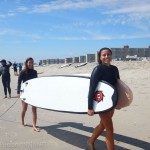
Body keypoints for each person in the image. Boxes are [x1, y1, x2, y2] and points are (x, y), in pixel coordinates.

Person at [87, 48, 120, 150]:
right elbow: (92, 89)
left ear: (111, 55)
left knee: (103, 125)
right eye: (104, 55)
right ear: (100, 57)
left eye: (108, 54)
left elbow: (118, 85)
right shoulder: (98, 69)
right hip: (101, 102)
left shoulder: (115, 69)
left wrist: (120, 101)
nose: (106, 57)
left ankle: (90, 141)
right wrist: (90, 107)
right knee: (110, 129)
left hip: (111, 102)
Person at [17, 57, 40, 132]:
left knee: (34, 110)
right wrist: (18, 92)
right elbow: (19, 82)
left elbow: (37, 82)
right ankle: (22, 122)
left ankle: (34, 126)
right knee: (24, 109)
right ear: (26, 63)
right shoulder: (23, 72)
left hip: (33, 93)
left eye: (32, 62)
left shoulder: (35, 72)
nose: (30, 64)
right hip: (25, 93)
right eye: (29, 62)